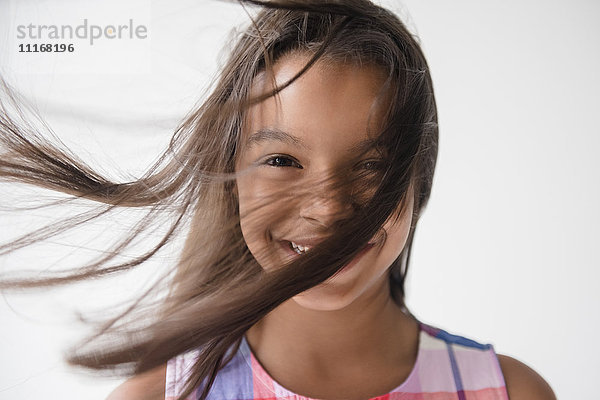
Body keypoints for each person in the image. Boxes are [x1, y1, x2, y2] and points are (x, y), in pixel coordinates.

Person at [0, 1, 556, 399]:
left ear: (417, 178)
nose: (329, 209)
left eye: (371, 166)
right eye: (283, 161)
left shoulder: (511, 392)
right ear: (232, 176)